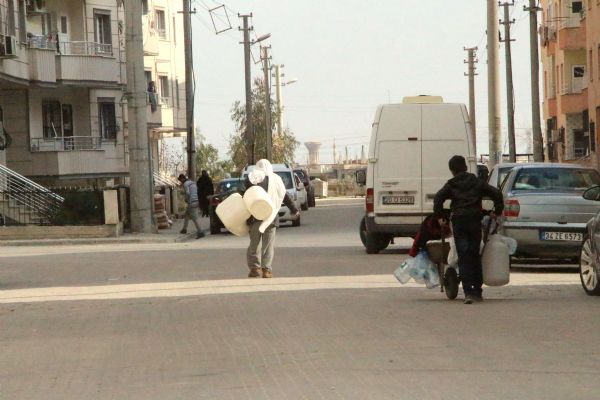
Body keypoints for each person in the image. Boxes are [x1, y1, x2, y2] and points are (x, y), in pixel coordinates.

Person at [433, 155, 503, 304]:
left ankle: (468, 292)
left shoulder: (451, 184)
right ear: (465, 167)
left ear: (452, 170)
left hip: (459, 221)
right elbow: (496, 193)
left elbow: (438, 198)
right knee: (474, 254)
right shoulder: (476, 182)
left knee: (464, 255)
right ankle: (477, 291)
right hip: (474, 221)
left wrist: (440, 216)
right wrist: (497, 211)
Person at [244, 159, 299, 279]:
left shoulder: (252, 178)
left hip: (255, 217)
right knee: (268, 245)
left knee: (254, 244)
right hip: (271, 217)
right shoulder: (276, 180)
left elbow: (246, 196)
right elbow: (284, 196)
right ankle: (267, 270)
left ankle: (255, 268)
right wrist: (294, 209)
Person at [178, 173, 205, 239]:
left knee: (194, 218)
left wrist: (186, 199)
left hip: (192, 202)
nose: (180, 182)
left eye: (180, 180)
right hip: (196, 200)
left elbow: (187, 193)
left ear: (182, 179)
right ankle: (184, 229)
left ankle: (200, 232)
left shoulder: (185, 184)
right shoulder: (192, 183)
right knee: (186, 215)